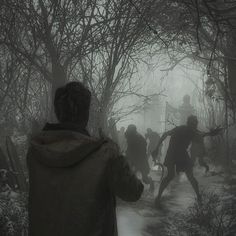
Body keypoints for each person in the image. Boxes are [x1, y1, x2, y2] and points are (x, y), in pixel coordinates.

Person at [27, 82, 144, 236]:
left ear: (57, 112)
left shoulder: (36, 152)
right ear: (86, 114)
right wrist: (116, 156)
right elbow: (133, 192)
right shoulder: (105, 154)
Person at [152, 115, 220, 207]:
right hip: (174, 153)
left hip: (177, 153)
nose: (195, 125)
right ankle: (159, 197)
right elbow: (165, 134)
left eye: (195, 123)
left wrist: (210, 133)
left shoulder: (189, 130)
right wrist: (156, 148)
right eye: (194, 123)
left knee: (187, 176)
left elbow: (201, 134)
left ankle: (199, 197)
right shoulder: (184, 129)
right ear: (190, 123)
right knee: (173, 175)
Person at [125, 125, 154, 192]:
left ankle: (151, 183)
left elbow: (143, 146)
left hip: (140, 159)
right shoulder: (131, 136)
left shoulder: (138, 137)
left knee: (144, 178)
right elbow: (129, 147)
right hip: (133, 159)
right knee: (131, 174)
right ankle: (132, 188)